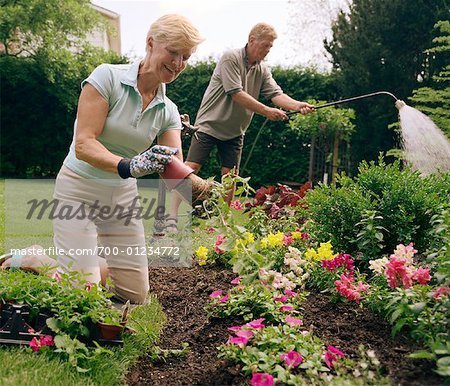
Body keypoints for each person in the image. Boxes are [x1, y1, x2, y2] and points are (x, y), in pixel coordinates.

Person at [0, 14, 204, 304]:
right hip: (78, 188)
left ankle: (81, 265)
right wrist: (128, 165)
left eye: (186, 56)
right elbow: (84, 144)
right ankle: (36, 258)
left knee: (135, 295)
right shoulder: (107, 77)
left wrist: (203, 192)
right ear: (150, 43)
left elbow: (171, 168)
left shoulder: (168, 110)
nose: (179, 63)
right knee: (84, 295)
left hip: (120, 197)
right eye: (173, 52)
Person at [167, 22, 314, 224]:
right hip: (209, 125)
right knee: (189, 169)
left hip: (235, 132)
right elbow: (235, 93)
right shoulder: (231, 58)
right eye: (265, 45)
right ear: (252, 40)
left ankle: (223, 222)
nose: (268, 49)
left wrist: (298, 106)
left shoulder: (262, 70)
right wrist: (266, 111)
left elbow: (276, 94)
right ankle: (171, 216)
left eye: (270, 46)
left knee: (231, 178)